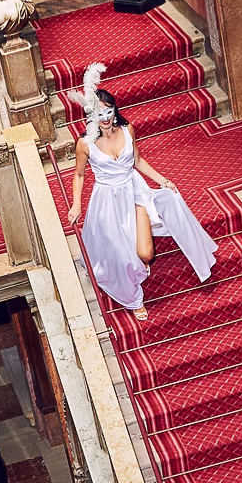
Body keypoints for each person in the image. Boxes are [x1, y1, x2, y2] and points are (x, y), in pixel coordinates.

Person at [65, 63, 216, 320]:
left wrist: (163, 179)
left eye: (109, 111)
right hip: (107, 202)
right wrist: (76, 204)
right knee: (122, 257)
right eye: (100, 114)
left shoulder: (127, 130)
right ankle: (134, 299)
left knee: (146, 253)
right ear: (91, 116)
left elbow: (136, 160)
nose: (106, 118)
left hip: (135, 192)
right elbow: (79, 174)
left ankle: (140, 264)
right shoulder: (85, 144)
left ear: (115, 110)